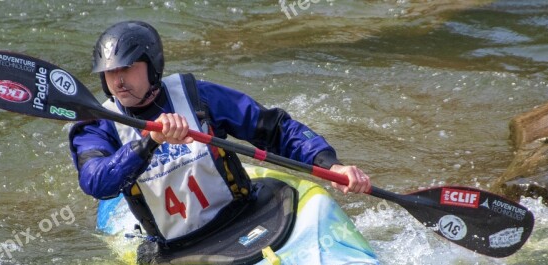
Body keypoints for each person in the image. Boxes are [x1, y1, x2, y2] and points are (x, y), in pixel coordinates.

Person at [69, 20, 371, 245]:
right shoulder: (98, 124)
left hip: (243, 215)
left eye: (128, 68)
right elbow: (96, 182)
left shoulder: (197, 97)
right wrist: (150, 143)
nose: (118, 80)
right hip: (179, 247)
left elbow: (274, 128)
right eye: (110, 72)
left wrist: (330, 163)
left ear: (152, 66)